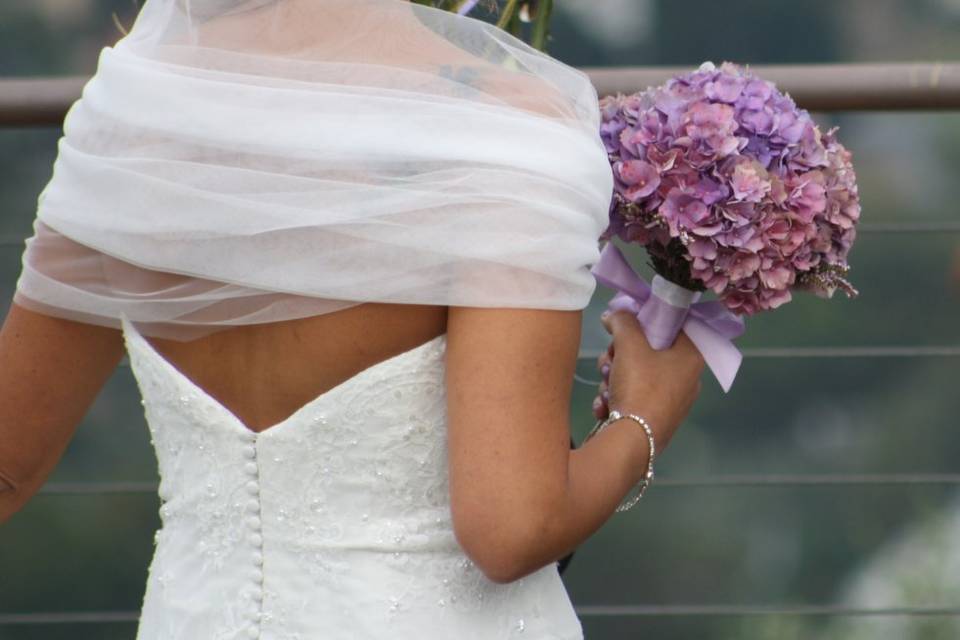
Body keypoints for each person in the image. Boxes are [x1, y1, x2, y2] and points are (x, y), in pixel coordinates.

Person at [0, 0, 704, 637]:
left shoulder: (131, 115)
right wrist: (644, 420)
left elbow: (9, 467)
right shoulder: (503, 125)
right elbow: (511, 529)